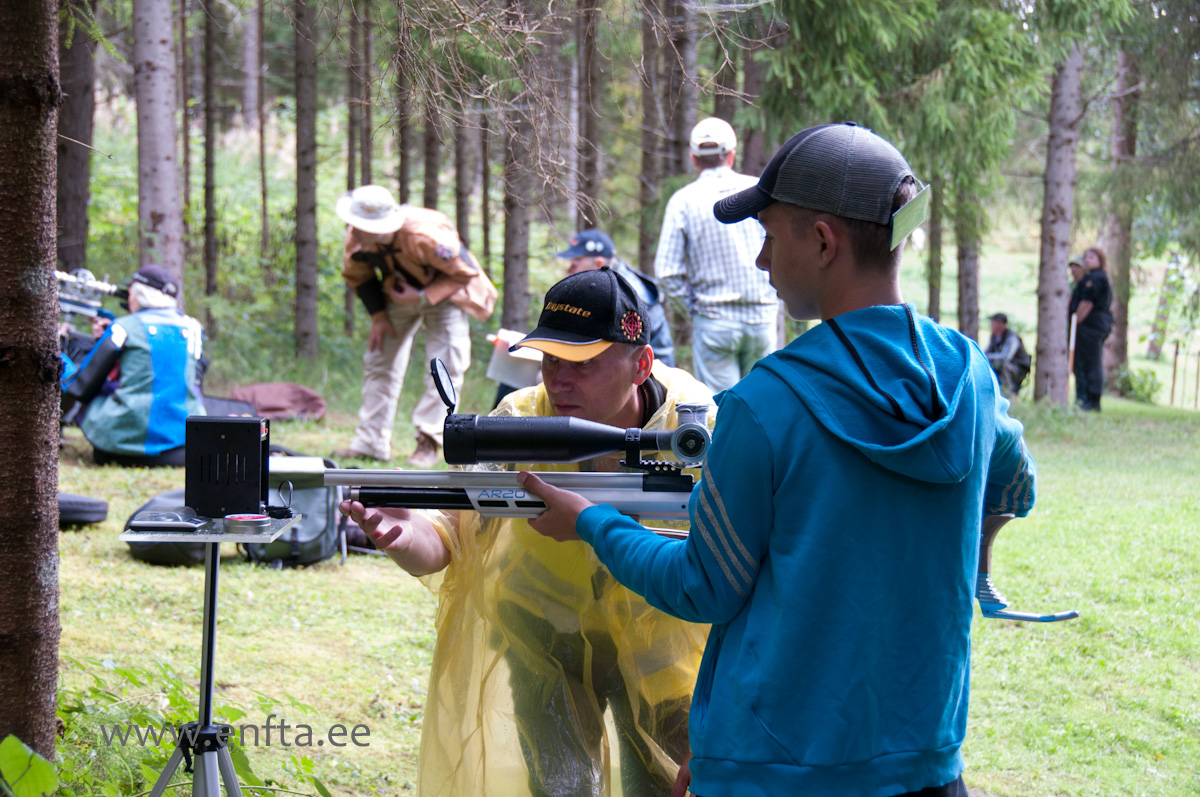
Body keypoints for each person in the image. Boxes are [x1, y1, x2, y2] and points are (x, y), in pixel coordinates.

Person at [519, 123, 1038, 797]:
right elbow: (1016, 484)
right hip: (925, 764)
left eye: (768, 234)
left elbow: (702, 586)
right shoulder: (970, 376)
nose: (761, 260)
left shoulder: (767, 405)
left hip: (773, 772)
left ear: (821, 241)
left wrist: (590, 520)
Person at [340, 268, 716, 797]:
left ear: (641, 365)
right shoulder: (518, 418)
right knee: (559, 788)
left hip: (662, 642)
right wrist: (403, 538)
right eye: (549, 359)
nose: (558, 380)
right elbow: (449, 534)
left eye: (581, 362)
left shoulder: (695, 426)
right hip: (545, 629)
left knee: (662, 783)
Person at [332, 184, 497, 466]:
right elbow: (358, 276)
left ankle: (430, 441)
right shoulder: (356, 237)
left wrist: (422, 296)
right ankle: (370, 443)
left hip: (446, 293)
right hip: (399, 291)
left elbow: (464, 273)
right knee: (379, 359)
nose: (353, 230)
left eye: (361, 226)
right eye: (354, 224)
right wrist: (379, 318)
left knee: (446, 364)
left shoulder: (425, 236)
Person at [654, 117, 780, 391]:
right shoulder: (759, 190)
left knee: (720, 409)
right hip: (762, 318)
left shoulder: (683, 201)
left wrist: (696, 308)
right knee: (763, 402)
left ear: (694, 159)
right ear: (732, 155)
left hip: (714, 322)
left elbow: (666, 272)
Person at [61, 264, 206, 467]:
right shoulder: (194, 328)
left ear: (137, 294)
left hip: (119, 447)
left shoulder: (124, 327)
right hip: (183, 444)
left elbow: (82, 386)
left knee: (66, 368)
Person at [558, 229, 675, 366]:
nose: (569, 271)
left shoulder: (626, 295)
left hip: (651, 374)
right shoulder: (605, 284)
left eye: (574, 265)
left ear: (598, 264)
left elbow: (625, 354)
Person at [1068, 247, 1113, 411]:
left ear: (1100, 260)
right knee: (1082, 363)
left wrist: (1076, 322)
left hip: (1091, 327)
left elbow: (1087, 303)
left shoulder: (1096, 278)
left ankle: (1092, 400)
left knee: (1091, 363)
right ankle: (1083, 398)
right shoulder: (1088, 278)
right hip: (1086, 327)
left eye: (1092, 257)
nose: (1088, 260)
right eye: (1086, 257)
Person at [984, 313, 1031, 396]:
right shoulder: (994, 337)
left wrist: (989, 357)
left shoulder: (1011, 337)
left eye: (994, 322)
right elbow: (986, 353)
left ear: (1001, 324)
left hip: (1018, 370)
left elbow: (1005, 357)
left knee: (1001, 365)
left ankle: (1009, 393)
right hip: (1007, 367)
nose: (991, 325)